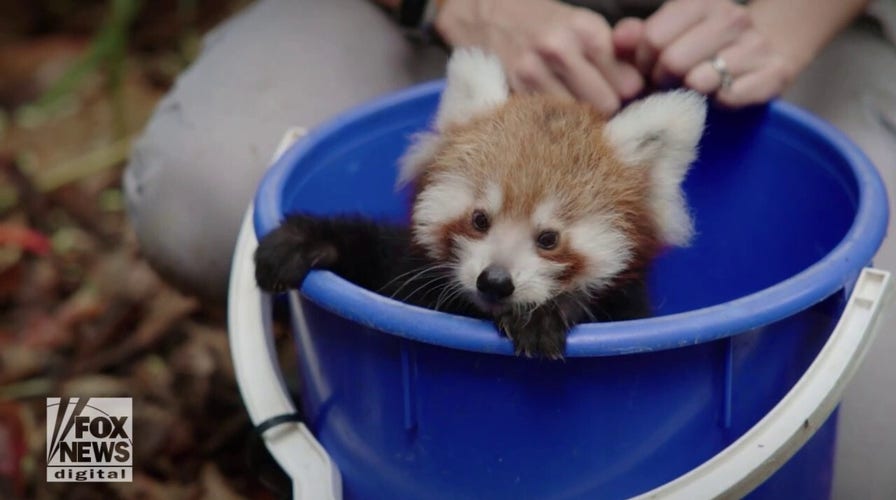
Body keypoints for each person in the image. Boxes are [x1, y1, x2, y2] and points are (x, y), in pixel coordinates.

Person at [122, 0, 896, 496]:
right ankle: (339, 398)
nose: (497, 267)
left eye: (550, 241)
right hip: (438, 24)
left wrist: (784, 22)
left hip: (773, 43)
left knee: (869, 466)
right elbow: (393, 256)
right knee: (207, 188)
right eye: (483, 225)